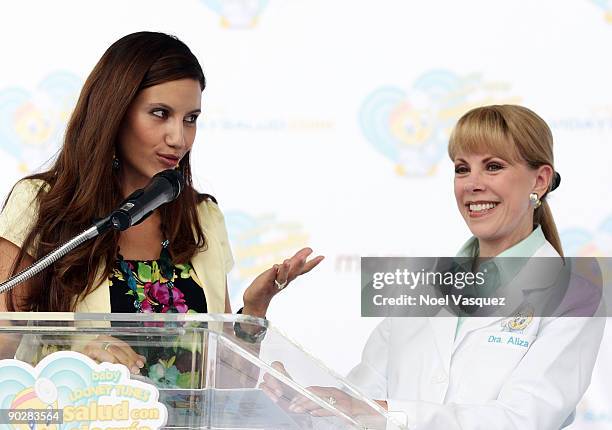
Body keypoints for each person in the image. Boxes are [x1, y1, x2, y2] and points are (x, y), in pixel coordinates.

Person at [0, 32, 323, 374]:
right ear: (115, 113)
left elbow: (229, 387)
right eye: (159, 113)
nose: (179, 138)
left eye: (191, 118)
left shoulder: (204, 217)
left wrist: (254, 312)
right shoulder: (42, 204)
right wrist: (74, 364)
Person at [265, 105, 605, 429]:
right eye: (462, 168)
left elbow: (521, 421)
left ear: (540, 181)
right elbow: (360, 401)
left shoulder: (575, 293)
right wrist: (303, 405)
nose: (473, 184)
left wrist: (377, 411)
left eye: (493, 166)